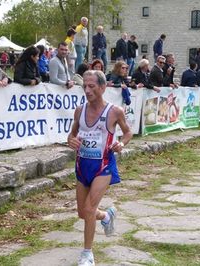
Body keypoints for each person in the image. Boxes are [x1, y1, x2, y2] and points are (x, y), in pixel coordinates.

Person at [67, 70, 132, 266]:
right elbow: (71, 135)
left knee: (88, 209)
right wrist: (71, 141)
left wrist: (121, 144)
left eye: (91, 86)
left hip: (103, 165)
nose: (87, 90)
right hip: (82, 165)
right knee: (82, 213)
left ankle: (87, 254)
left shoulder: (114, 111)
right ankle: (106, 215)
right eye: (84, 86)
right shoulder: (79, 110)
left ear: (103, 88)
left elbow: (128, 133)